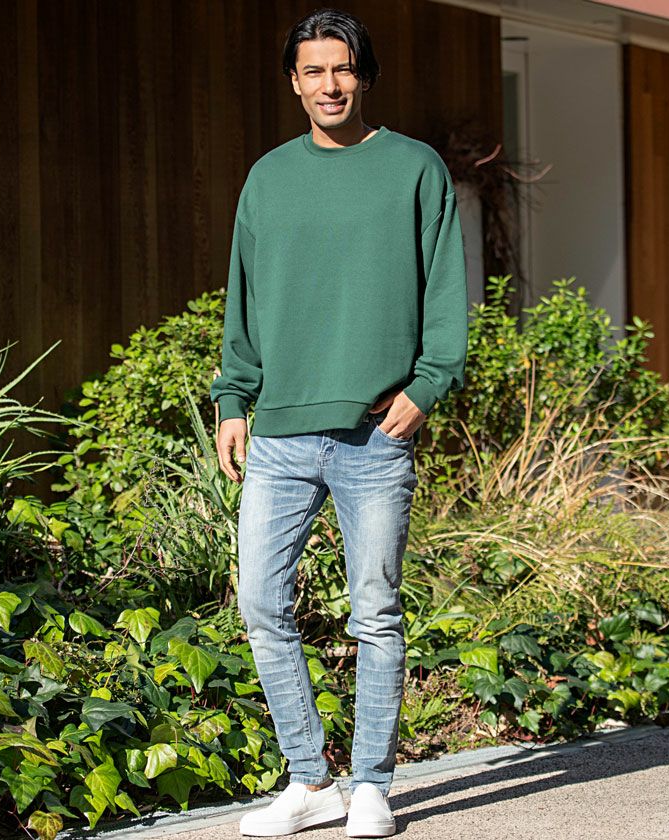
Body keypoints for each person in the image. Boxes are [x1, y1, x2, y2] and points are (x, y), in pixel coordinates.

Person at [210, 7, 468, 837]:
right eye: (314, 70)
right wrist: (233, 398)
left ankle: (371, 786)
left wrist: (428, 385)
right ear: (294, 82)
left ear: (366, 75)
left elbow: (444, 289)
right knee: (260, 604)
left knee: (375, 613)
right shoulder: (268, 178)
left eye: (343, 68)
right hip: (281, 433)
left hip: (374, 435)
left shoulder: (414, 168)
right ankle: (310, 780)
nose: (330, 84)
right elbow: (244, 298)